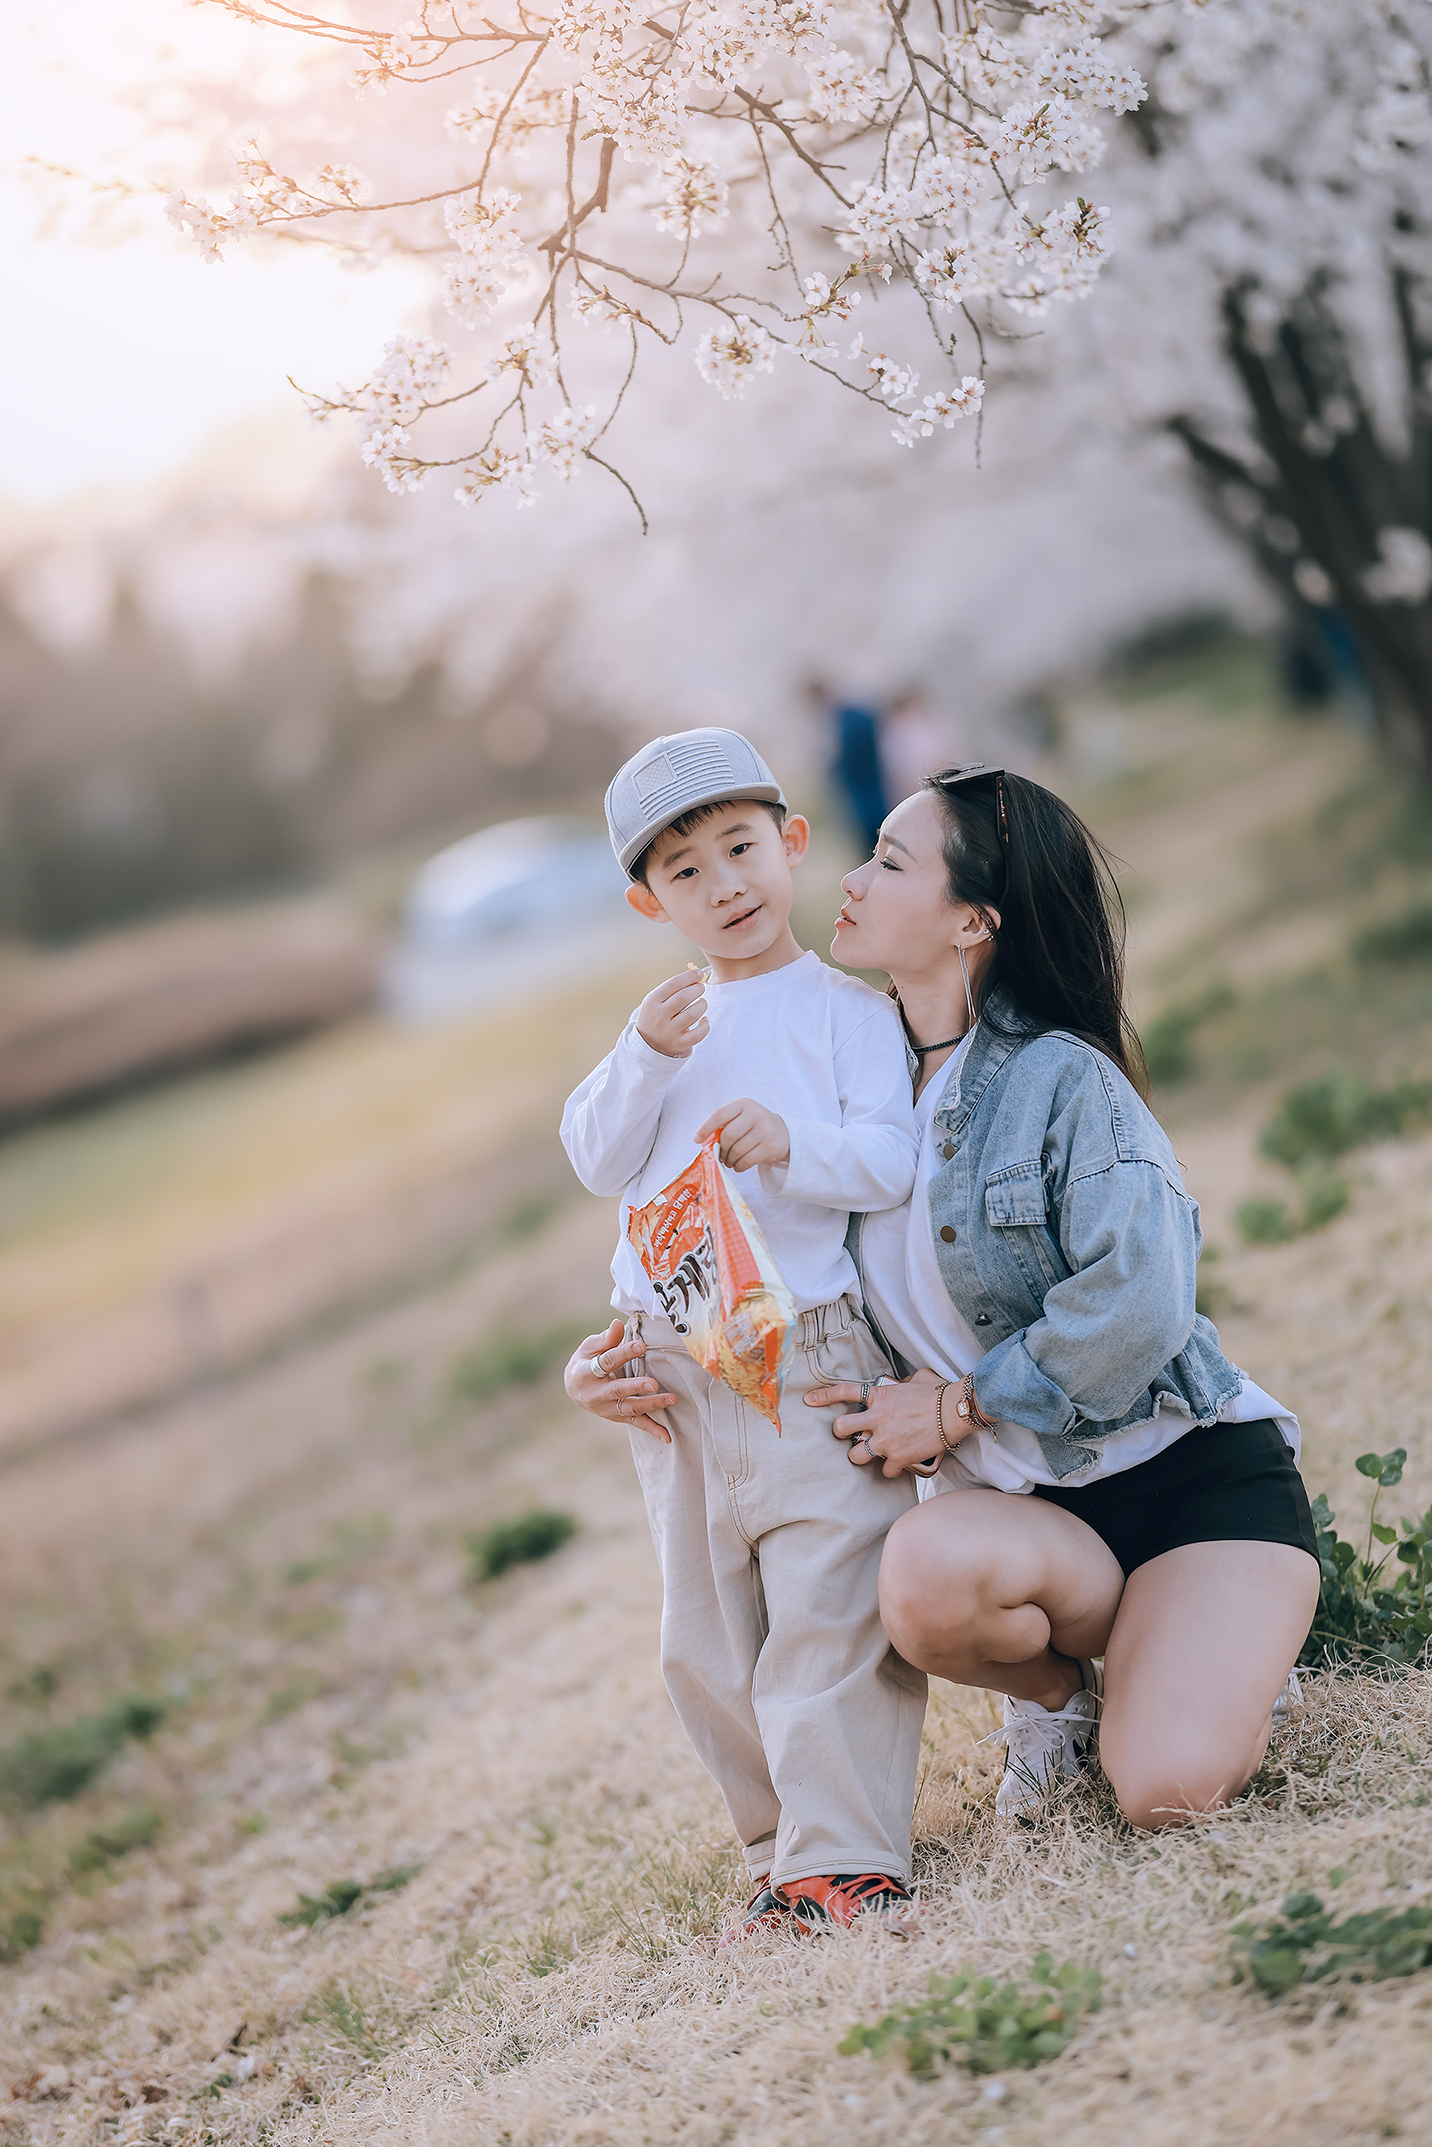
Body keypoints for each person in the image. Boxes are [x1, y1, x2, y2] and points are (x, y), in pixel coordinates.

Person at [808, 765, 1320, 1827]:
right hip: (1035, 1529)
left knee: (1167, 1790)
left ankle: (1207, 1649)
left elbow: (1141, 1301)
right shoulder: (841, 1093)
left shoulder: (1061, 1077)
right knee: (921, 1574)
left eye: (890, 862)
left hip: (1187, 1489)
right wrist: (628, 1348)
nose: (851, 880)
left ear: (972, 921)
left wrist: (958, 1406)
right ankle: (1059, 1699)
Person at [560, 726, 926, 1940]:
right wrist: (640, 1056)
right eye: (685, 870)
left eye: (740, 847)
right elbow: (595, 1157)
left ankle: (845, 1854)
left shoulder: (847, 1012)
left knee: (829, 1597)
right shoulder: (663, 1028)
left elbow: (886, 1158)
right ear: (648, 901)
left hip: (805, 1346)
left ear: (792, 842)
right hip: (673, 1359)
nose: (723, 884)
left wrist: (793, 1146)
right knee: (704, 1633)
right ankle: (778, 1849)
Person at [808, 678, 889, 854]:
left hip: (866, 791)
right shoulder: (844, 718)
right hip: (861, 793)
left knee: (876, 841)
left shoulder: (850, 719)